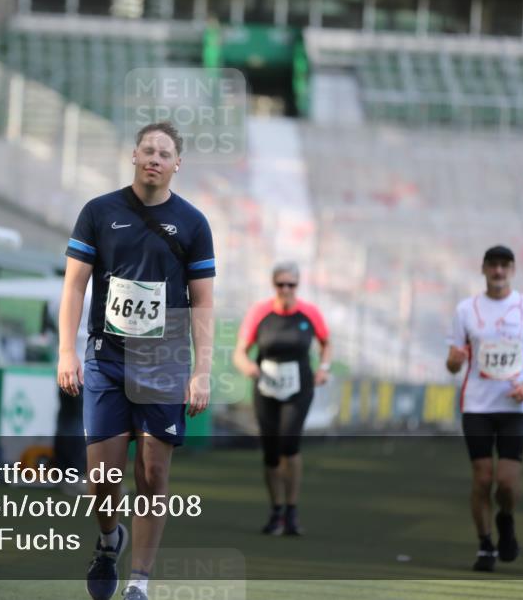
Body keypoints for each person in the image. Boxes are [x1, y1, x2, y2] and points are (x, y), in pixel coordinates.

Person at [57, 122, 215, 600]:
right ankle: (109, 539)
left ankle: (139, 583)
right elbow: (74, 286)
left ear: (177, 164)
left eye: (164, 153)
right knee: (102, 479)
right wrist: (67, 349)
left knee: (152, 474)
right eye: (147, 150)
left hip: (164, 365)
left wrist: (202, 369)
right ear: (133, 155)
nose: (155, 158)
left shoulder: (193, 224)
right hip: (106, 359)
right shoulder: (98, 212)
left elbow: (203, 302)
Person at [446, 245, 523, 573]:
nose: (499, 271)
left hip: (514, 406)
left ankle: (506, 519)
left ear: (513, 269)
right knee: (482, 477)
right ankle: (485, 544)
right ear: (483, 269)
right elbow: (451, 363)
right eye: (493, 265)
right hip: (476, 405)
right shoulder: (466, 310)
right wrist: (454, 360)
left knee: (506, 481)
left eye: (504, 265)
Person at [233, 262, 330, 536]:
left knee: (290, 443)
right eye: (281, 284)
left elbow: (326, 343)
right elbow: (240, 351)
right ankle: (276, 510)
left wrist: (324, 368)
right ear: (273, 285)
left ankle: (292, 509)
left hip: (299, 386)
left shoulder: (309, 313)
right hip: (266, 387)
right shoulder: (260, 312)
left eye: (291, 284)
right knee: (272, 452)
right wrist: (247, 366)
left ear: (298, 286)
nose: (286, 289)